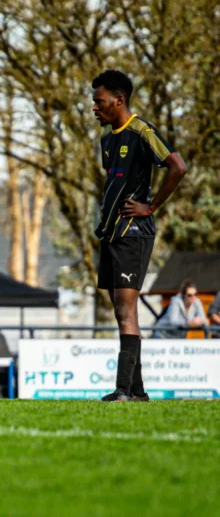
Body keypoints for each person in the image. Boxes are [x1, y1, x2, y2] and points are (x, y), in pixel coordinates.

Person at [91, 70, 188, 402]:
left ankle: (122, 390)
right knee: (122, 310)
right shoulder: (107, 139)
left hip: (134, 232)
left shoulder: (142, 131)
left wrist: (152, 206)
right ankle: (137, 391)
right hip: (111, 233)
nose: (94, 107)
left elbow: (178, 166)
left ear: (119, 100)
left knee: (125, 310)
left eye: (99, 101)